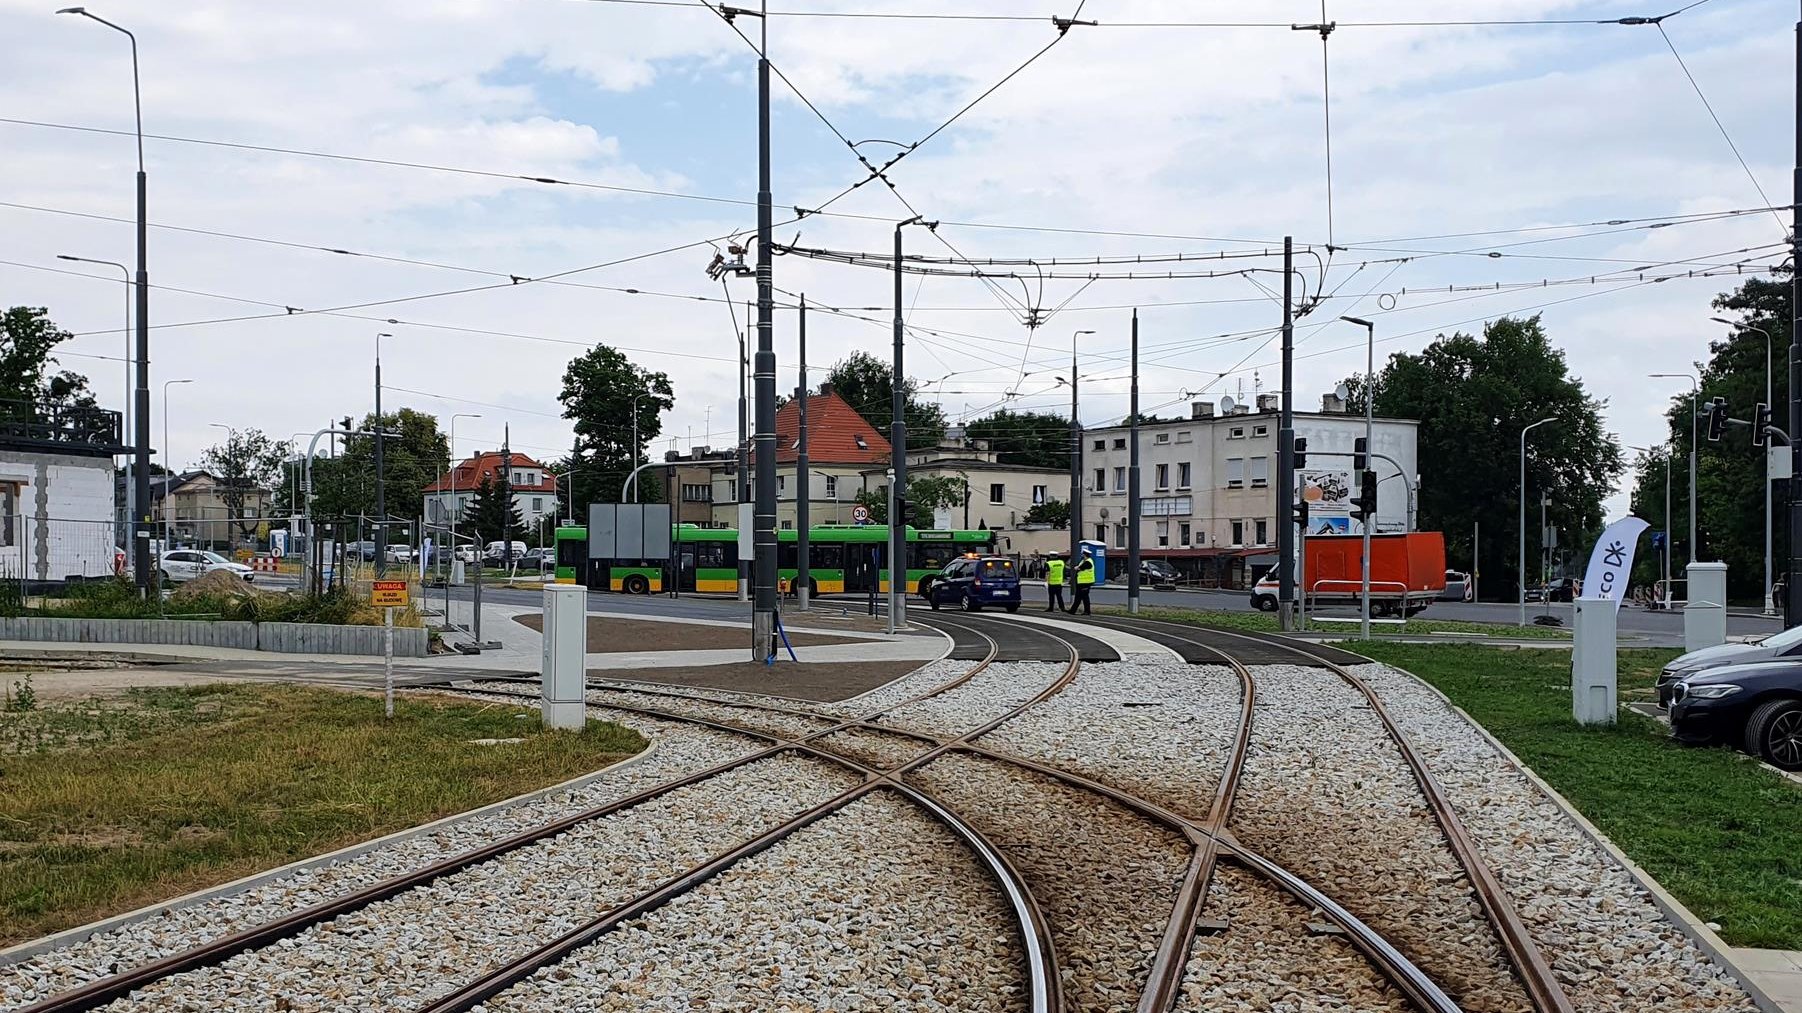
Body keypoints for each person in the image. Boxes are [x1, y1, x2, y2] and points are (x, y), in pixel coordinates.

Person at [1071, 549, 1096, 615]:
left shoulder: (1088, 562)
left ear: (1084, 554)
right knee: (1078, 597)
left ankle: (1087, 611)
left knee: (1085, 597)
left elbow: (1079, 568)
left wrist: (1077, 567)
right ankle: (1073, 610)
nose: (1082, 555)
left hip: (1086, 582)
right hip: (1081, 582)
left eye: (1082, 554)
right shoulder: (1083, 561)